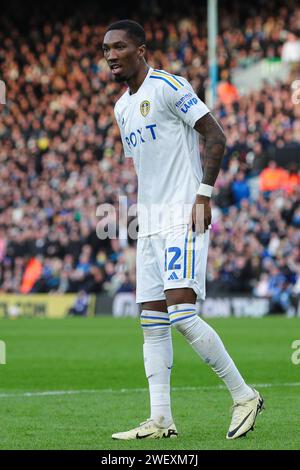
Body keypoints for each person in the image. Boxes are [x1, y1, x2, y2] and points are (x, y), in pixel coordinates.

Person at [103, 20, 264, 440]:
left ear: (141, 49)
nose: (110, 55)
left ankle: (244, 395)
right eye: (106, 50)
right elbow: (146, 167)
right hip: (150, 221)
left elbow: (216, 135)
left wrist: (203, 195)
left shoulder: (169, 86)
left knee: (181, 313)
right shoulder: (122, 108)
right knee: (152, 321)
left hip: (183, 214)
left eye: (119, 47)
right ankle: (161, 420)